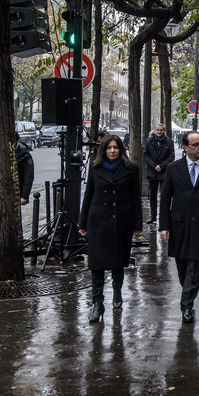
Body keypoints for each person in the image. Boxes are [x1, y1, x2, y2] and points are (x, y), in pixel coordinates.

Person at [159, 131, 199, 324]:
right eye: (195, 145)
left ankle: (186, 306)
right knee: (182, 266)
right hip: (179, 223)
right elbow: (165, 199)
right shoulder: (173, 168)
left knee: (194, 266)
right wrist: (164, 226)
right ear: (185, 147)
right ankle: (188, 293)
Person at [78, 134, 143, 323]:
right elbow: (88, 195)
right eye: (109, 148)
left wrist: (137, 223)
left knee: (117, 263)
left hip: (121, 222)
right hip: (98, 222)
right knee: (96, 265)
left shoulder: (131, 169)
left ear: (121, 149)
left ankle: (117, 292)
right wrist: (82, 223)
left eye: (115, 147)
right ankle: (97, 303)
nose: (112, 151)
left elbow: (135, 198)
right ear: (103, 150)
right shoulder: (95, 168)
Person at [143, 123, 175, 225]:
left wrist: (161, 166)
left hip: (164, 172)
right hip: (152, 172)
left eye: (161, 130)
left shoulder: (169, 142)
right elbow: (145, 155)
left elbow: (171, 156)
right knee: (152, 195)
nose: (159, 132)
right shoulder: (149, 141)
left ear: (164, 131)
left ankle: (164, 217)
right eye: (158, 130)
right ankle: (153, 217)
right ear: (155, 131)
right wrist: (154, 166)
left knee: (164, 195)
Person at [14, 132, 34, 206]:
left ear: (17, 140)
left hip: (17, 192)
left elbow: (29, 176)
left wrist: (24, 196)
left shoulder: (25, 155)